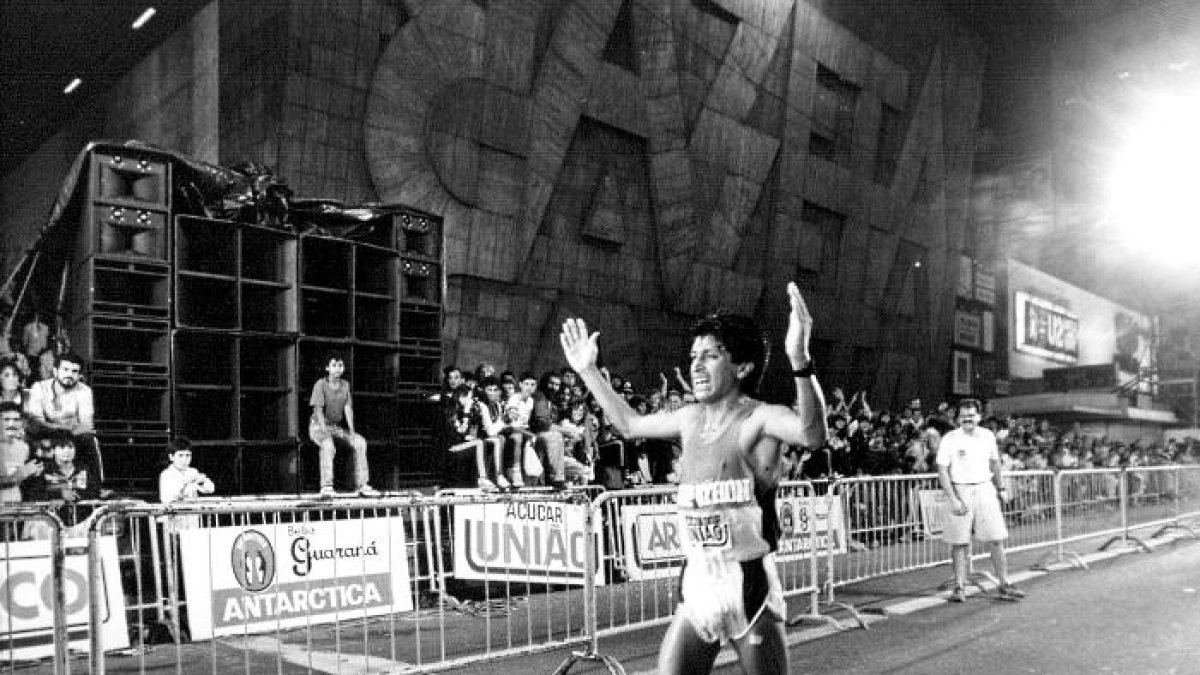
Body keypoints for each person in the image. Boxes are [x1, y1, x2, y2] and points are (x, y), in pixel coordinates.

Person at [559, 281, 828, 675]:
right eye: (693, 356)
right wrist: (588, 371)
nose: (696, 366)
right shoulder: (688, 418)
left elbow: (812, 435)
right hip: (699, 584)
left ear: (743, 366)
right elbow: (629, 425)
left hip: (748, 587)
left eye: (711, 356)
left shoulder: (759, 418)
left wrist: (799, 358)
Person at [936, 398, 1026, 603]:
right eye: (963, 416)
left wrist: (1000, 487)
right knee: (959, 542)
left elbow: (995, 464)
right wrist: (954, 499)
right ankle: (959, 587)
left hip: (985, 488)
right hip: (960, 490)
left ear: (979, 416)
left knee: (996, 539)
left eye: (971, 415)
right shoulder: (949, 438)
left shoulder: (987, 436)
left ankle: (1005, 583)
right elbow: (942, 471)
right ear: (957, 418)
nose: (968, 419)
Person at [308, 352, 378, 497]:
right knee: (328, 445)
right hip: (317, 426)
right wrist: (323, 430)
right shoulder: (320, 384)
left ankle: (362, 485)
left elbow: (347, 408)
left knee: (360, 442)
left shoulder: (345, 385)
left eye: (340, 365)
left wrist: (351, 431)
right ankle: (326, 487)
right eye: (334, 365)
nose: (337, 369)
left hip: (335, 427)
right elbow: (318, 410)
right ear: (327, 368)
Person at [25, 351, 101, 484]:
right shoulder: (39, 387)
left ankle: (96, 485)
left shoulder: (84, 391)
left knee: (89, 439)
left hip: (72, 436)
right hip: (45, 434)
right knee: (31, 433)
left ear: (79, 375)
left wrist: (58, 427)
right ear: (55, 371)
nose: (70, 375)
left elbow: (86, 425)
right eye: (65, 369)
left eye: (74, 371)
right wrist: (65, 427)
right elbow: (35, 422)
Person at [158, 437, 215, 532]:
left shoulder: (193, 472)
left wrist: (202, 481)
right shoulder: (166, 475)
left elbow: (210, 488)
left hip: (192, 523)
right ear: (171, 457)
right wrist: (187, 482)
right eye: (180, 455)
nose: (185, 459)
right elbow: (171, 496)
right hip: (174, 525)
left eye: (188, 455)